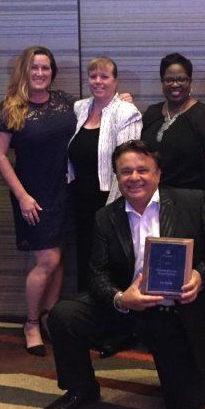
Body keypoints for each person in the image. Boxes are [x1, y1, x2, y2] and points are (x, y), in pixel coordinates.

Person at [41, 140, 205, 409]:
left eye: (142, 170)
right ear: (117, 177)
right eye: (126, 171)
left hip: (176, 313)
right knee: (64, 314)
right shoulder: (106, 217)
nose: (134, 177)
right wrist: (120, 299)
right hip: (129, 307)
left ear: (158, 174)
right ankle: (81, 388)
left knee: (182, 408)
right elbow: (97, 273)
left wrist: (200, 276)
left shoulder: (192, 202)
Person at [0, 46, 76, 357]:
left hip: (65, 189)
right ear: (24, 71)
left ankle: (51, 319)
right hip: (33, 194)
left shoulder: (65, 102)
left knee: (60, 258)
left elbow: (97, 113)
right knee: (47, 260)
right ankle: (30, 323)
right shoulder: (10, 108)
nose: (40, 73)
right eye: (34, 67)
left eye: (45, 68)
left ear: (52, 72)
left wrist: (122, 101)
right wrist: (22, 196)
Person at [68, 56, 142, 290]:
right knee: (84, 259)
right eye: (93, 76)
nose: (98, 81)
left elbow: (127, 166)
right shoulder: (80, 108)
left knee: (107, 264)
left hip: (109, 201)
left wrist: (110, 211)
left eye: (104, 76)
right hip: (79, 199)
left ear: (115, 81)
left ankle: (112, 309)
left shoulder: (126, 112)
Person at [140, 53, 205, 209]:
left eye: (181, 79)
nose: (175, 84)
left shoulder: (203, 115)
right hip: (152, 202)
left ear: (190, 81)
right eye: (169, 80)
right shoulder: (152, 113)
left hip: (190, 205)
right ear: (162, 82)